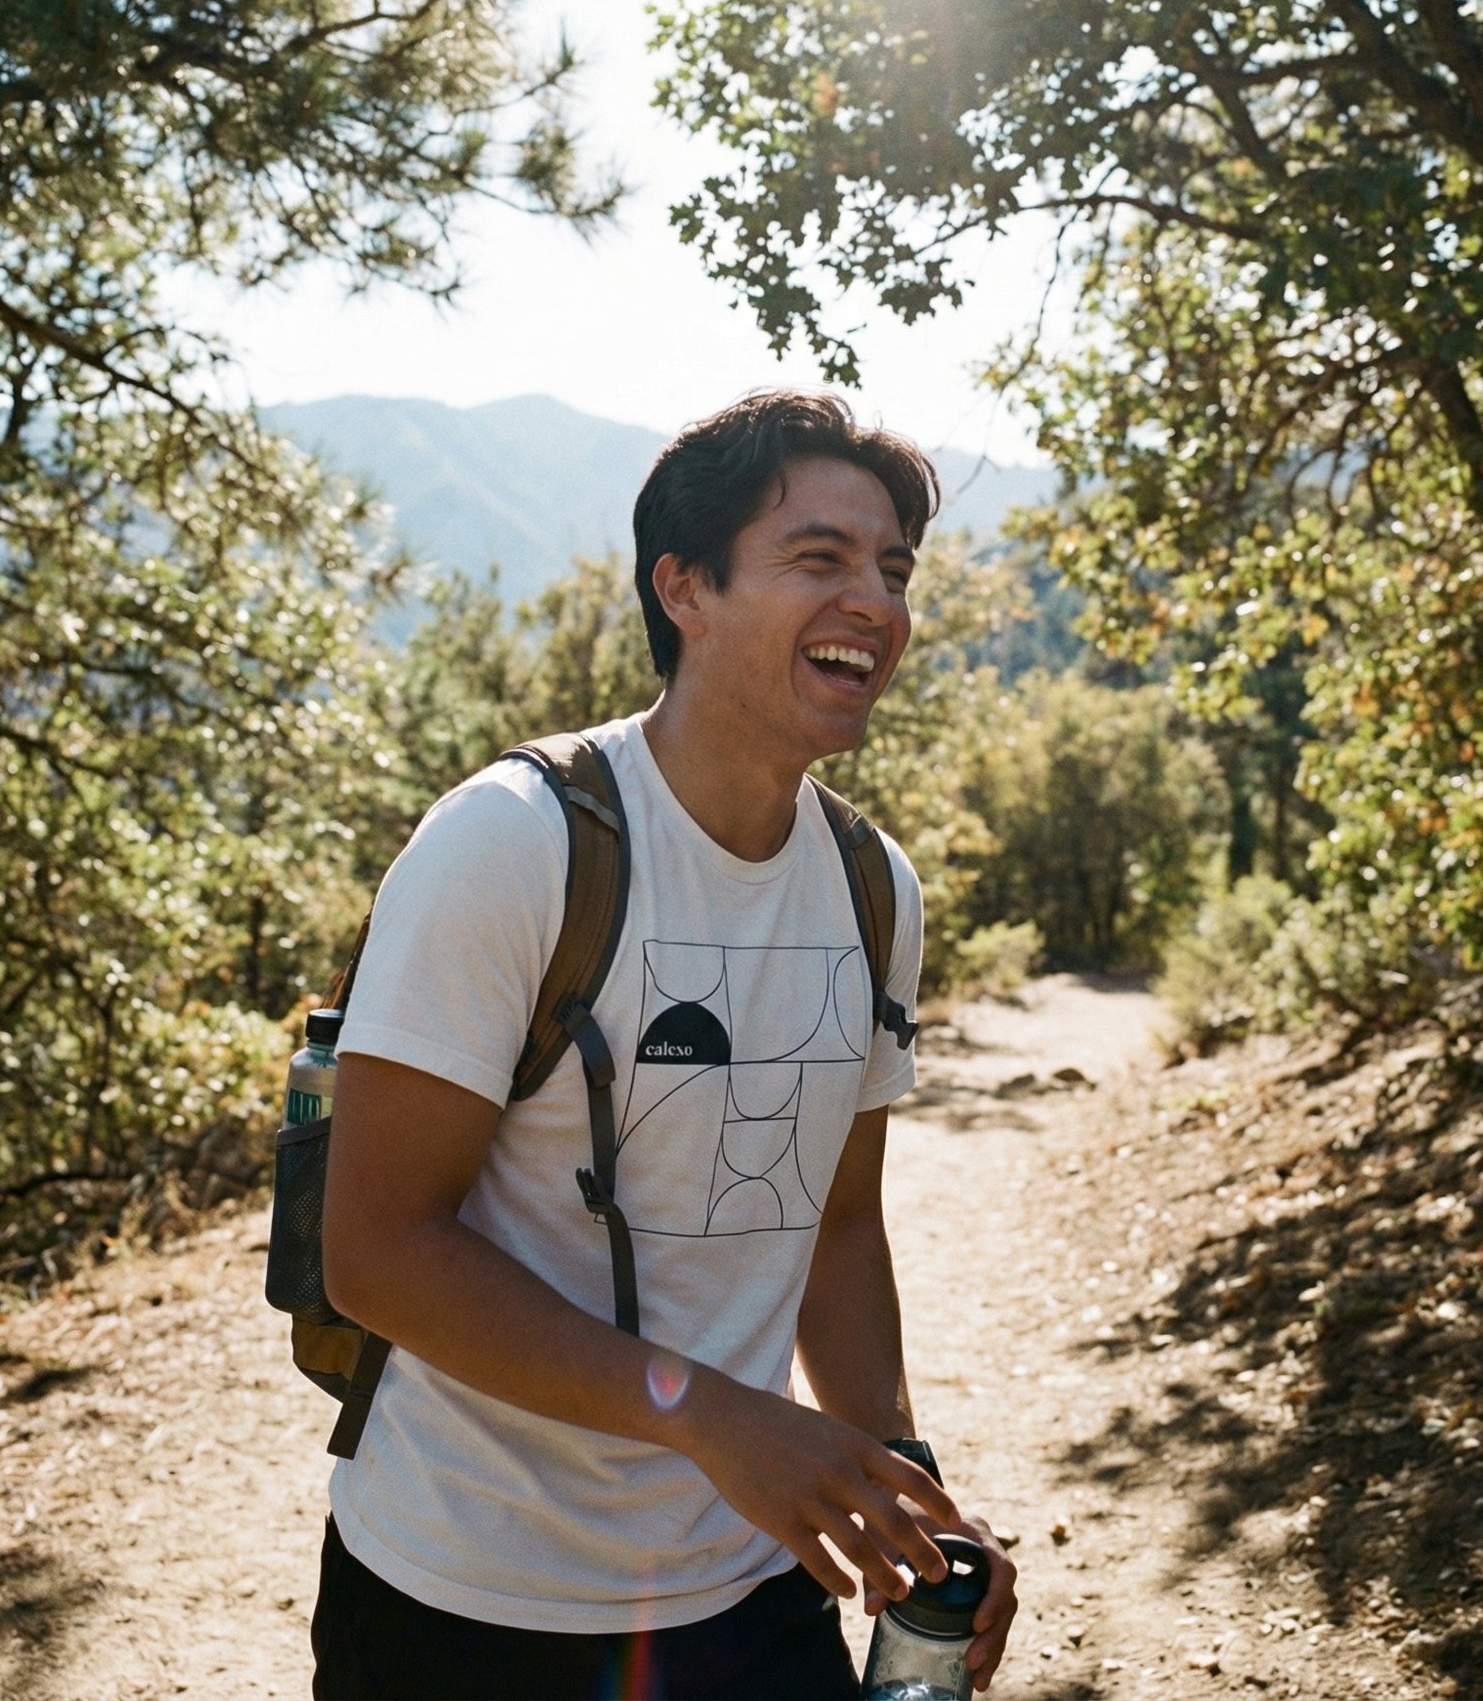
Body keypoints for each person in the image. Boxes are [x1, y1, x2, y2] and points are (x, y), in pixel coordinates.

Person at [315, 392, 1019, 1700]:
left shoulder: (876, 889)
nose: (877, 600)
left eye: (895, 568)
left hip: (753, 1589)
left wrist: (896, 1481)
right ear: (684, 589)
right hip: (463, 1596)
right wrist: (721, 1420)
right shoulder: (514, 844)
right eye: (821, 559)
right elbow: (376, 1252)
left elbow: (839, 1226)